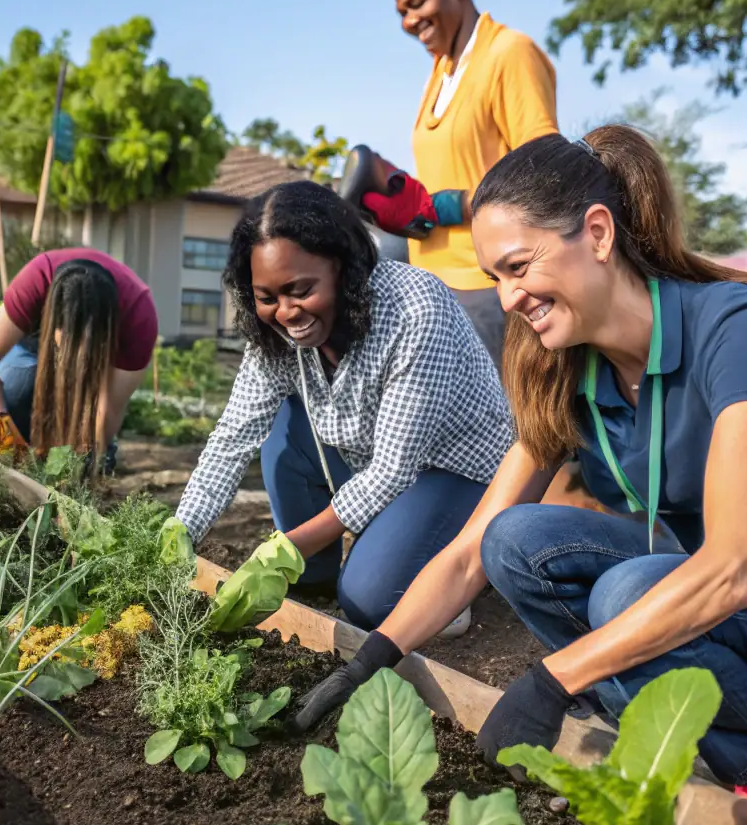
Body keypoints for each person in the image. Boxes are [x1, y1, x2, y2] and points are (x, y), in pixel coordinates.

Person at [292, 128, 747, 825]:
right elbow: (469, 550)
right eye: (495, 279)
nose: (508, 298)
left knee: (630, 591)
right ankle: (648, 691)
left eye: (518, 266)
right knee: (516, 539)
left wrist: (556, 677)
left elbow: (731, 571)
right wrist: (375, 656)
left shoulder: (742, 330)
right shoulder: (574, 369)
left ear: (597, 233)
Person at [175, 180, 512, 637]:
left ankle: (456, 578)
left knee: (371, 602)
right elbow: (233, 435)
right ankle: (315, 572)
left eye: (300, 290)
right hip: (370, 457)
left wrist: (282, 548)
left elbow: (394, 470)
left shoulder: (414, 310)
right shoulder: (276, 332)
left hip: (454, 470)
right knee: (282, 431)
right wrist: (183, 530)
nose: (287, 313)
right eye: (267, 297)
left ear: (340, 266)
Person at [359, 0, 558, 370]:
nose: (409, 21)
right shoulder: (442, 72)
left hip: (488, 287)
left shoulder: (509, 54)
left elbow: (545, 174)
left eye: (416, 4)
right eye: (401, 14)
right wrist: (411, 206)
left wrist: (453, 206)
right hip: (434, 288)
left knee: (499, 432)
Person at [0, 248, 158, 468]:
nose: (74, 353)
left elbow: (108, 409)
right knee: (16, 383)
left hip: (102, 356)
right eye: (69, 340)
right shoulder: (38, 278)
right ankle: (22, 441)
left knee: (93, 453)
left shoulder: (138, 319)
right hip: (33, 346)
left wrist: (77, 462)